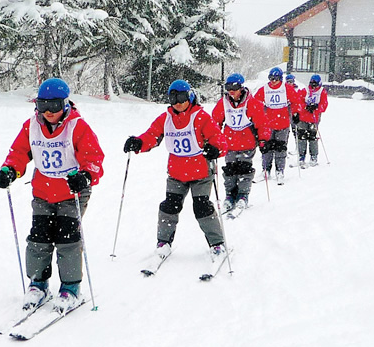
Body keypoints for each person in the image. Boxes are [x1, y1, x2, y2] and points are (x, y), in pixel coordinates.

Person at [0, 78, 104, 314]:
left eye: (54, 106)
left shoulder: (78, 127)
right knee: (39, 238)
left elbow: (94, 159)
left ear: (65, 104)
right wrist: (10, 170)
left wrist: (85, 175)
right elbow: (19, 152)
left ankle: (70, 288)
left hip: (71, 191)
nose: (48, 112)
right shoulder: (31, 126)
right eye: (42, 105)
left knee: (67, 238)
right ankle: (38, 284)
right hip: (43, 190)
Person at [123, 79, 228, 264]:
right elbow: (152, 135)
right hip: (176, 173)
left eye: (182, 97)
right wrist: (139, 143)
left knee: (202, 207)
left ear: (190, 97)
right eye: (173, 98)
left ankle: (217, 243)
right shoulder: (166, 119)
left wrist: (215, 149)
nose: (178, 102)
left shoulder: (201, 117)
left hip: (200, 172)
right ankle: (163, 242)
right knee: (169, 206)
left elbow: (218, 139)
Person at [210, 72, 268, 213]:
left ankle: (243, 195)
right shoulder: (223, 103)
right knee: (230, 170)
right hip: (229, 143)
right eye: (228, 88)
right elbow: (215, 121)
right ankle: (230, 195)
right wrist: (212, 139)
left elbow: (262, 122)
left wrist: (263, 139)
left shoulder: (251, 102)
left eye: (234, 88)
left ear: (241, 87)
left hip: (247, 143)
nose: (231, 91)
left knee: (244, 170)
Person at [253, 67, 298, 184]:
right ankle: (266, 170)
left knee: (280, 147)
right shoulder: (264, 89)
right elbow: (255, 103)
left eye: (276, 79)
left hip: (282, 123)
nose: (273, 81)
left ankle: (280, 171)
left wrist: (296, 113)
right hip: (268, 123)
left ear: (280, 79)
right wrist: (256, 116)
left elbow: (295, 101)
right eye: (271, 78)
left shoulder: (286, 88)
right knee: (266, 147)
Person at [294, 74, 329, 167]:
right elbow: (298, 101)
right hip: (303, 117)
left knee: (312, 137)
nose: (313, 86)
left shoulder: (322, 92)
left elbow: (324, 105)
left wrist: (316, 107)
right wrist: (305, 107)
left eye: (315, 84)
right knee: (302, 137)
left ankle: (314, 156)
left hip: (314, 118)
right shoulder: (305, 90)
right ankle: (301, 156)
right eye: (312, 84)